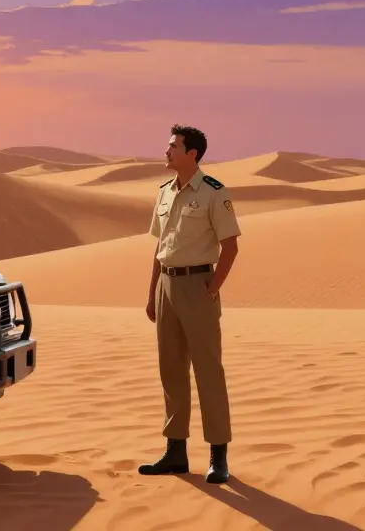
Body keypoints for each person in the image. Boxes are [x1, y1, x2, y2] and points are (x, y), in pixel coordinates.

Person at [138, 124, 242, 485]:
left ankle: (218, 455)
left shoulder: (214, 193)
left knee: (208, 371)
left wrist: (211, 289)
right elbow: (159, 246)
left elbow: (231, 247)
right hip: (166, 285)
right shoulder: (165, 193)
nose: (167, 151)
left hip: (198, 286)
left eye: (173, 146)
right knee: (171, 371)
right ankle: (175, 452)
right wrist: (152, 291)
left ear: (192, 153)